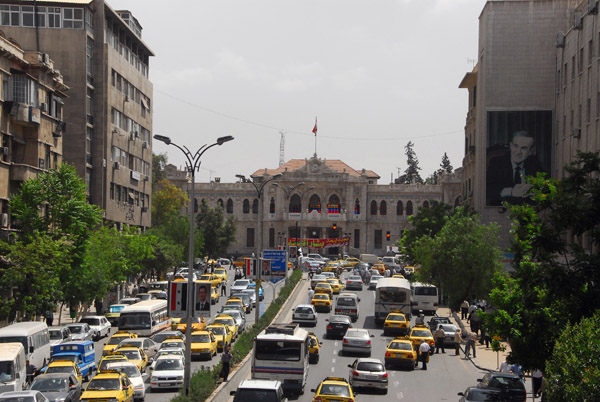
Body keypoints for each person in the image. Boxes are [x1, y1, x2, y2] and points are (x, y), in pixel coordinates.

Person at [486, 130, 545, 206]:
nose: (518, 152)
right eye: (516, 146)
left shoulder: (534, 162)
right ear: (511, 146)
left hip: (527, 211)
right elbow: (487, 189)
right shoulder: (497, 163)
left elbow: (545, 185)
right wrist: (511, 192)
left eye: (523, 148)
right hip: (502, 211)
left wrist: (533, 189)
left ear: (530, 151)